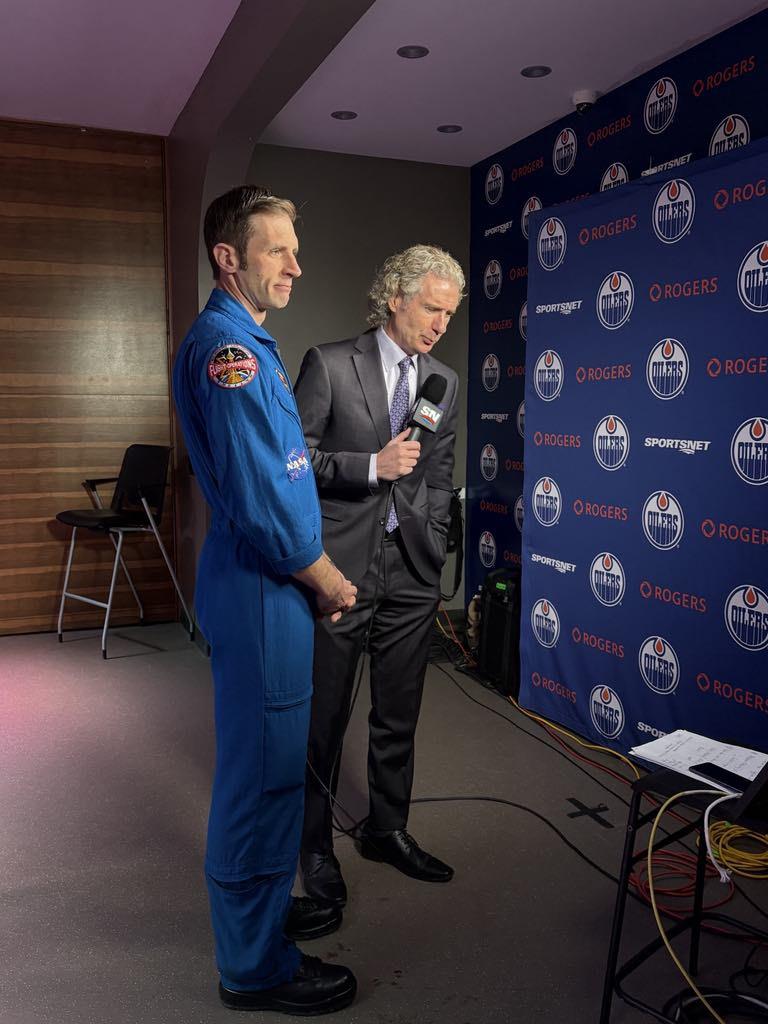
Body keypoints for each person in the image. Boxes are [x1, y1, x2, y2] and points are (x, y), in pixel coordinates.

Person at [172, 185, 358, 1015]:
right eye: (277, 248)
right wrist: (324, 577)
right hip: (261, 583)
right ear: (229, 257)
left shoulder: (244, 339)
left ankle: (265, 916)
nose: (295, 263)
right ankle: (253, 967)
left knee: (276, 766)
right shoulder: (229, 353)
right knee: (259, 776)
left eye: (294, 245)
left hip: (265, 581)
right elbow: (261, 497)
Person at [294, 245, 465, 908]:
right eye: (431, 308)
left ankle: (387, 828)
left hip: (412, 572)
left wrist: (435, 552)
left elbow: (439, 478)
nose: (439, 324)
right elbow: (295, 459)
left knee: (399, 714)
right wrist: (371, 466)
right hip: (341, 569)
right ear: (396, 296)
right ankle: (314, 846)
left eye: (449, 315)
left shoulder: (443, 381)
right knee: (326, 717)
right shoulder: (330, 364)